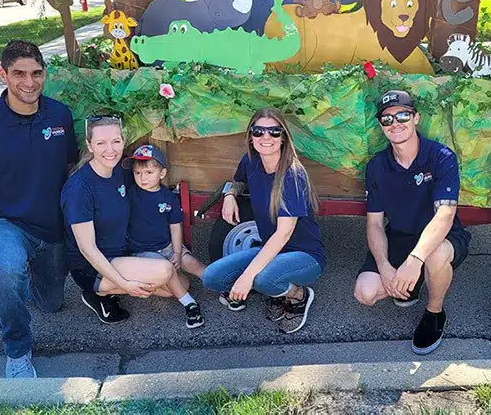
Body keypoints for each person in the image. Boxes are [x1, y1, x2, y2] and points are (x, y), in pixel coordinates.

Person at [0, 40, 79, 378]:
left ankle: (10, 284)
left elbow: (70, 170)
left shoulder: (60, 115)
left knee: (51, 303)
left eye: (36, 73)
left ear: (45, 75)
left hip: (49, 226)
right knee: (8, 271)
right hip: (2, 221)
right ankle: (18, 352)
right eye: (19, 73)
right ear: (3, 75)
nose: (29, 82)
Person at [353, 90, 471, 355]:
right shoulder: (376, 167)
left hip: (444, 236)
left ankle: (434, 313)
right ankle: (413, 283)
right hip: (400, 236)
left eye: (403, 115)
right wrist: (384, 266)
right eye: (387, 119)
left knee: (435, 255)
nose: (395, 123)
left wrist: (414, 260)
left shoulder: (441, 157)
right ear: (382, 127)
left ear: (416, 118)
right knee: (366, 292)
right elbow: (374, 224)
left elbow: (445, 216)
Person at [60, 116, 202, 328]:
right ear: (89, 145)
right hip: (92, 265)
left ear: (123, 141)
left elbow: (150, 188)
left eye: (116, 141)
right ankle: (96, 292)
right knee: (164, 271)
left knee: (182, 284)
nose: (110, 149)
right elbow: (87, 249)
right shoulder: (79, 189)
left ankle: (123, 281)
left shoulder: (121, 169)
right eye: (101, 143)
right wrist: (124, 284)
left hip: (124, 252)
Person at [203, 108, 325, 334]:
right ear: (250, 136)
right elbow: (237, 181)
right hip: (271, 251)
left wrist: (246, 277)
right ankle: (276, 289)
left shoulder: (292, 175)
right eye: (258, 131)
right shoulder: (251, 161)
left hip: (305, 255)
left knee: (262, 279)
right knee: (211, 277)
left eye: (274, 132)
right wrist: (230, 195)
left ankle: (298, 294)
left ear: (283, 137)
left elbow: (283, 234)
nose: (265, 137)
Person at [123, 143, 206, 328]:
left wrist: (177, 253)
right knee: (177, 283)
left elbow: (175, 226)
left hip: (168, 246)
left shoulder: (167, 197)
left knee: (192, 263)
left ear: (162, 174)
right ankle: (190, 304)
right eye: (137, 173)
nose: (142, 178)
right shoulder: (130, 194)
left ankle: (224, 286)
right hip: (144, 252)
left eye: (149, 172)